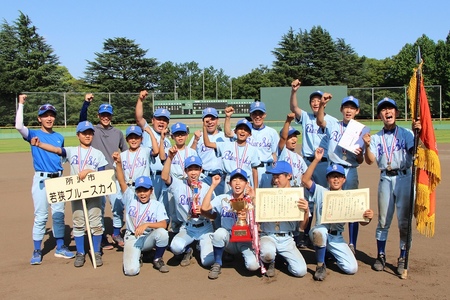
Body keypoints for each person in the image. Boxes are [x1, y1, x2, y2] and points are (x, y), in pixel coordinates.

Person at [31, 121, 108, 267]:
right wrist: (40, 145)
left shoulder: (98, 154)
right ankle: (80, 253)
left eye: (90, 133)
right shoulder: (72, 151)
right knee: (78, 223)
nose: (87, 135)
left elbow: (103, 175)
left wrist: (89, 171)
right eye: (84, 133)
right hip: (77, 193)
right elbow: (56, 150)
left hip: (94, 194)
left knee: (96, 223)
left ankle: (96, 252)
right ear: (78, 135)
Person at [363, 97, 421, 275]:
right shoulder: (376, 138)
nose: (387, 112)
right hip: (386, 178)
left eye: (390, 109)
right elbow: (370, 161)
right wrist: (366, 147)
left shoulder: (406, 134)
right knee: (383, 221)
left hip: (404, 177)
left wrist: (417, 133)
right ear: (379, 115)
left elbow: (415, 152)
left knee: (404, 222)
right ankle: (380, 255)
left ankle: (403, 256)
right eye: (383, 110)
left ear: (396, 113)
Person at [15, 94, 74, 265]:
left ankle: (61, 247)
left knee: (58, 215)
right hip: (41, 180)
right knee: (41, 216)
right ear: (39, 118)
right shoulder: (33, 134)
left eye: (52, 115)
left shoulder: (59, 137)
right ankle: (37, 250)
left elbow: (61, 157)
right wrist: (21, 104)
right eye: (46, 115)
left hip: (58, 179)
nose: (49, 118)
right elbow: (19, 126)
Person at [302, 147, 374, 281]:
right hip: (320, 231)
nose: (335, 180)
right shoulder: (320, 191)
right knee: (320, 232)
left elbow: (362, 221)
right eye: (332, 177)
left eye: (338, 177)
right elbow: (305, 180)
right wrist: (316, 160)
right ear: (328, 179)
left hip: (336, 238)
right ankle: (320, 265)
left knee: (351, 268)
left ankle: (329, 252)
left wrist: (368, 217)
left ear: (344, 180)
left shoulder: (349, 198)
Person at [289, 79, 338, 248]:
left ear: (323, 102)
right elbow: (294, 108)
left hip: (324, 162)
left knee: (324, 199)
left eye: (318, 100)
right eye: (313, 101)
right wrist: (294, 91)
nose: (315, 103)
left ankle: (323, 233)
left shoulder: (330, 120)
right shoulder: (306, 117)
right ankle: (304, 234)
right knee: (307, 201)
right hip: (307, 161)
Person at [316, 95, 365, 254]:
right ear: (341, 109)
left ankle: (352, 243)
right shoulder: (333, 124)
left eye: (352, 107)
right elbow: (320, 121)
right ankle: (330, 240)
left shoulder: (361, 130)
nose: (348, 110)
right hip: (334, 169)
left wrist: (359, 154)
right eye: (346, 107)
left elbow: (361, 159)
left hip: (350, 169)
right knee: (331, 204)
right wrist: (322, 105)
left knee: (353, 206)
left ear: (357, 111)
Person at [79, 93, 128, 250]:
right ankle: (100, 238)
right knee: (98, 208)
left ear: (111, 116)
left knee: (118, 205)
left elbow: (125, 152)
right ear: (98, 115)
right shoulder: (92, 131)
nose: (105, 117)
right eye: (103, 115)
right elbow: (81, 121)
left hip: (113, 175)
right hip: (96, 176)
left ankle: (115, 233)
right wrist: (86, 103)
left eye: (108, 115)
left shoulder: (118, 133)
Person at [113, 152, 170, 276]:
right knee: (131, 271)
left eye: (145, 190)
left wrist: (147, 225)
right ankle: (139, 255)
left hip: (147, 237)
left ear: (151, 191)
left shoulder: (157, 205)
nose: (142, 194)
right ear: (136, 191)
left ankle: (157, 258)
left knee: (163, 233)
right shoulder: (130, 197)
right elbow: (122, 181)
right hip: (132, 237)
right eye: (139, 190)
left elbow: (164, 224)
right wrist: (118, 164)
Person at [201, 168, 260, 279]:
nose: (237, 183)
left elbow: (261, 216)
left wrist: (253, 197)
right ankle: (218, 263)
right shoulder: (224, 199)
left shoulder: (250, 200)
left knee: (253, 266)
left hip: (245, 241)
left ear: (246, 183)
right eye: (234, 180)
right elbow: (204, 208)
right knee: (219, 233)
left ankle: (244, 256)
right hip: (229, 239)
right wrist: (213, 186)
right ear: (229, 183)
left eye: (241, 180)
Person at [161, 153, 215, 267]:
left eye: (196, 169)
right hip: (187, 227)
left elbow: (214, 216)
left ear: (201, 170)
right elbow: (165, 177)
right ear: (185, 171)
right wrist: (170, 157)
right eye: (190, 169)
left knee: (208, 262)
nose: (193, 172)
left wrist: (204, 212)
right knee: (175, 247)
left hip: (205, 227)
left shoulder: (206, 188)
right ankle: (188, 249)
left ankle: (200, 245)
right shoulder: (178, 185)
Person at [259, 161, 309, 278]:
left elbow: (302, 227)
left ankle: (280, 258)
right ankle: (270, 261)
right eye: (274, 176)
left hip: (287, 239)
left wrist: (306, 211)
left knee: (301, 271)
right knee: (267, 254)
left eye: (278, 176)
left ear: (289, 176)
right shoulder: (266, 194)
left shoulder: (298, 196)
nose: (275, 180)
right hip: (268, 235)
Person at [224, 103, 279, 188]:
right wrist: (228, 117)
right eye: (254, 114)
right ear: (250, 115)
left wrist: (275, 174)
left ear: (264, 115)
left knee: (264, 198)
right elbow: (228, 133)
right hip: (249, 169)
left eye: (260, 113)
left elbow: (275, 155)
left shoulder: (272, 132)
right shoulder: (245, 130)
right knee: (249, 198)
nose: (257, 117)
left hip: (266, 170)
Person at [277, 112, 308, 246]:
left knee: (296, 219)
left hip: (296, 190)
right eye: (290, 137)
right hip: (284, 191)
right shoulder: (282, 151)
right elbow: (282, 139)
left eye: (295, 136)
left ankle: (296, 241)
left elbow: (305, 175)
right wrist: (288, 121)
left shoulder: (299, 158)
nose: (293, 139)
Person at [204, 118, 260, 192]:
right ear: (235, 131)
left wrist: (256, 189)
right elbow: (208, 144)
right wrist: (204, 128)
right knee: (229, 201)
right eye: (240, 128)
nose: (242, 131)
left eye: (246, 130)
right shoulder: (226, 145)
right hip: (229, 179)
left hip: (245, 181)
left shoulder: (253, 150)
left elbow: (254, 170)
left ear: (249, 134)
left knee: (246, 202)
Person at [135, 90, 171, 204]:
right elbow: (139, 118)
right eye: (159, 119)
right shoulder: (147, 131)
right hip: (151, 176)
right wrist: (140, 100)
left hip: (165, 178)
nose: (161, 122)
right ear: (152, 120)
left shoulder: (168, 140)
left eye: (164, 120)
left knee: (164, 210)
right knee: (151, 208)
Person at [162, 122, 198, 232]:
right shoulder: (170, 151)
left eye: (182, 134)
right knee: (174, 211)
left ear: (187, 135)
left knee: (189, 207)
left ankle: (191, 232)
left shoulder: (192, 152)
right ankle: (175, 232)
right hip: (174, 182)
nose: (180, 137)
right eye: (177, 135)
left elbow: (196, 170)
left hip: (189, 183)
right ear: (172, 136)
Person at [189, 107, 228, 194]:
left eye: (213, 119)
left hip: (221, 178)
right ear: (203, 121)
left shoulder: (225, 137)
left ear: (217, 120)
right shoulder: (198, 136)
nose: (210, 122)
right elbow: (189, 155)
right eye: (207, 119)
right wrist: (195, 141)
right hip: (204, 177)